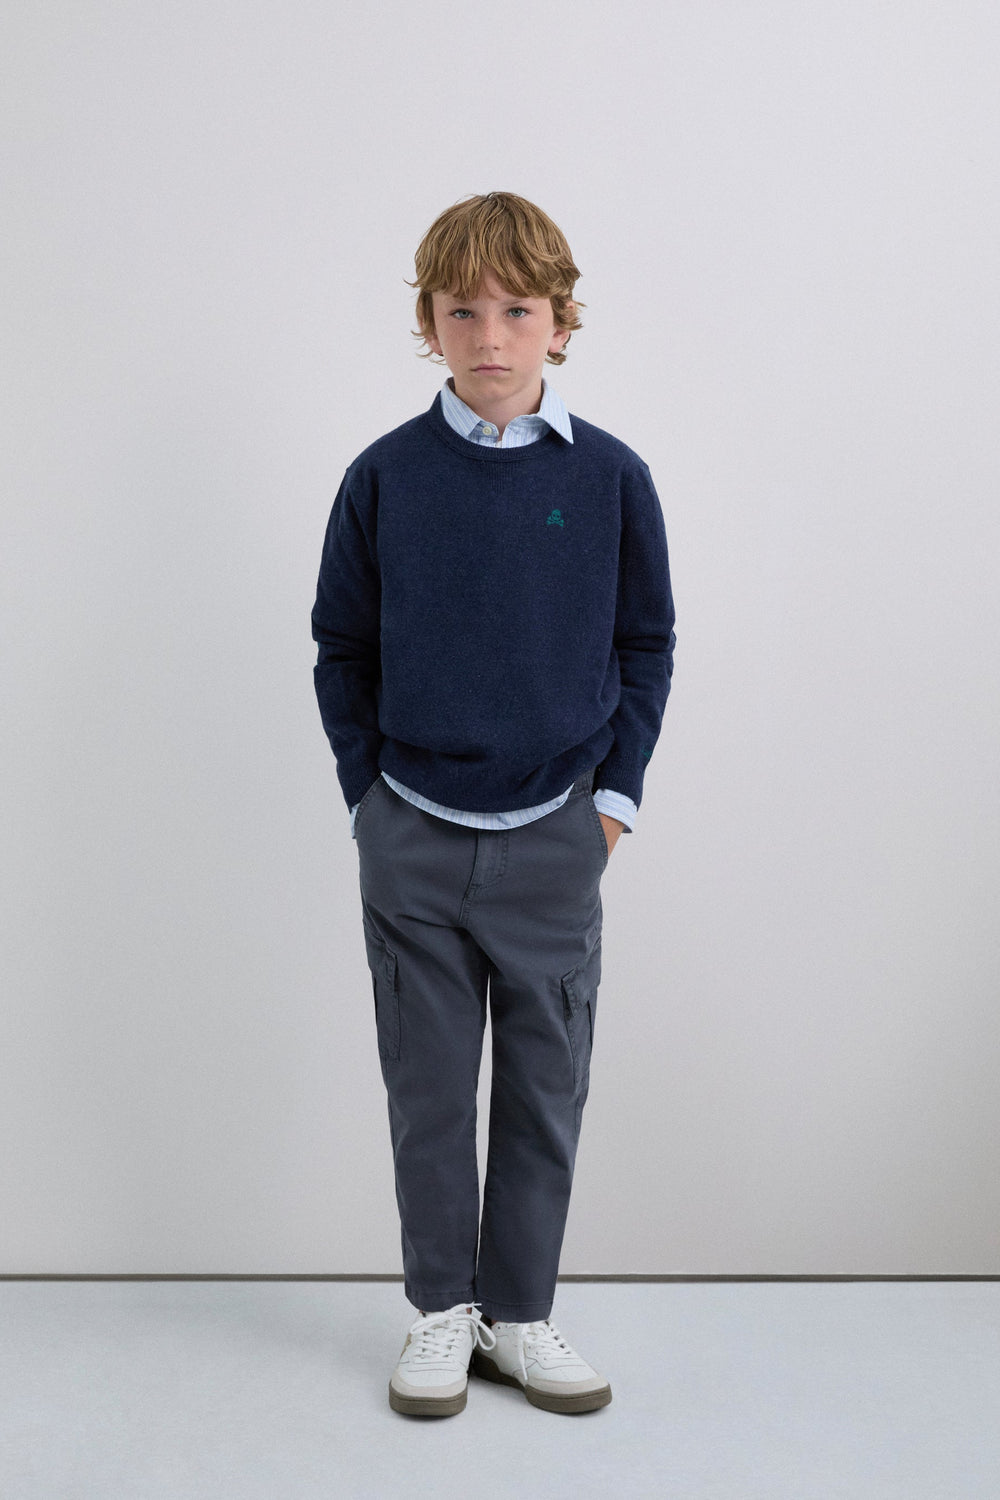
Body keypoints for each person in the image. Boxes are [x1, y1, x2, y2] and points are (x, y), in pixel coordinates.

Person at [311, 191, 675, 1417]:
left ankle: (517, 1314)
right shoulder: (384, 477)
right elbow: (342, 647)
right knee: (426, 1092)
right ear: (428, 324)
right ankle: (439, 1311)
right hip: (412, 831)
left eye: (517, 310)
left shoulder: (611, 478)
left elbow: (645, 642)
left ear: (560, 324)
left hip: (555, 837)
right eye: (461, 311)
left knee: (541, 1091)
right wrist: (368, 799)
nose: (490, 336)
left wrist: (610, 802)